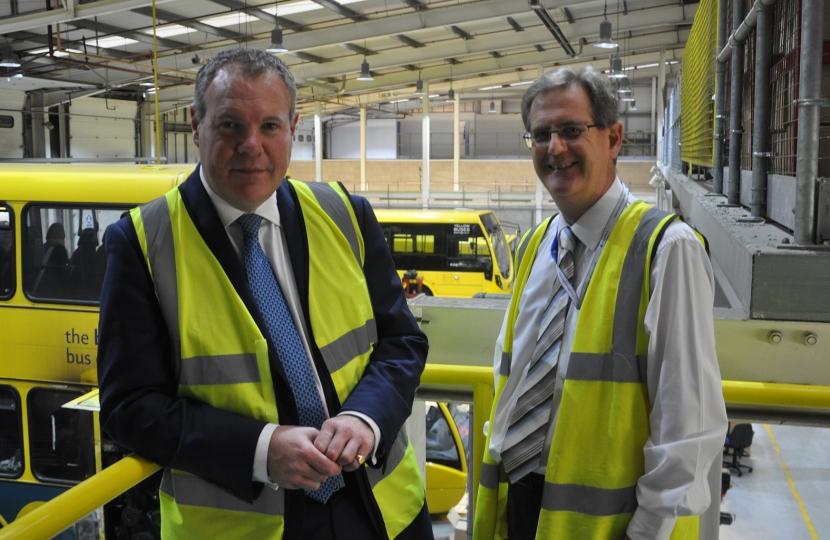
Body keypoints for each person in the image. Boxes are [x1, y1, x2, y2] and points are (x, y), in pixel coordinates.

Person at [97, 48, 433, 540]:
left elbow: (401, 341)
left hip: (381, 511)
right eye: (231, 125)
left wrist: (366, 418)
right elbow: (129, 408)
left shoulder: (344, 214)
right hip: (242, 525)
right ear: (197, 123)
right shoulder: (143, 243)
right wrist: (260, 450)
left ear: (293, 126)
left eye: (270, 126)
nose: (251, 145)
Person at [473, 67, 727, 540]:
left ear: (613, 139)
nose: (555, 149)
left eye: (571, 131)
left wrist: (647, 533)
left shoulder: (668, 250)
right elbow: (512, 387)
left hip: (614, 527)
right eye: (541, 134)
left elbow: (688, 428)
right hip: (520, 509)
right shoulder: (534, 247)